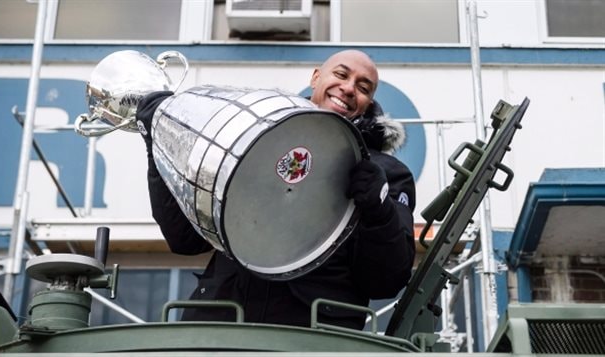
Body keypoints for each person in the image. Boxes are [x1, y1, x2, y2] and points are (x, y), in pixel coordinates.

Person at [135, 49, 416, 330]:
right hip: (220, 328)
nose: (349, 88)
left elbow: (385, 281)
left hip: (313, 337)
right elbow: (184, 240)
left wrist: (379, 212)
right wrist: (157, 144)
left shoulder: (386, 173)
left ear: (368, 102)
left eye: (363, 87)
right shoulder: (251, 138)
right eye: (341, 74)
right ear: (316, 78)